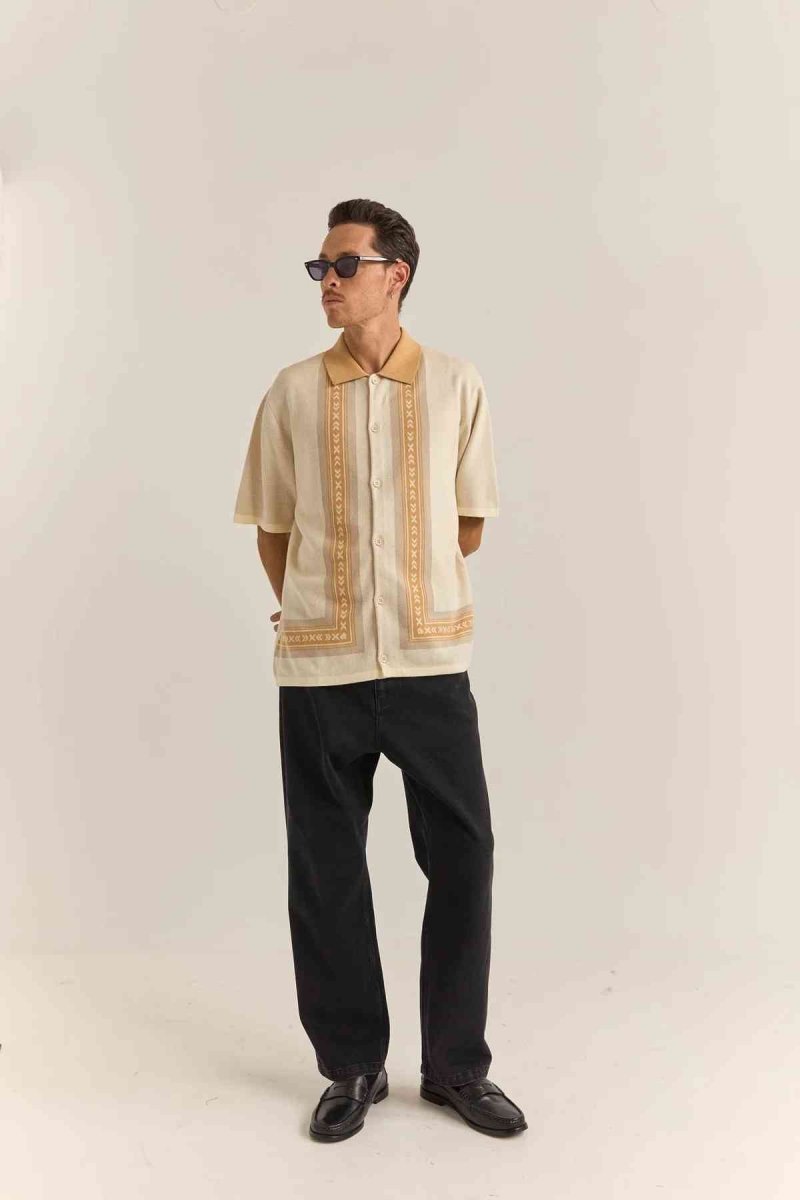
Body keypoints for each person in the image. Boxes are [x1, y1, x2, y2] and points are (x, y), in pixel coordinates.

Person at [233, 198, 527, 1141]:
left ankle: (455, 1067)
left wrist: (401, 591)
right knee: (326, 870)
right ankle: (353, 1065)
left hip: (431, 662)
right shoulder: (290, 392)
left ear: (395, 274)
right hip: (321, 670)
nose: (327, 281)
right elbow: (272, 526)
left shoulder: (455, 384)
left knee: (465, 856)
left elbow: (468, 525)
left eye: (344, 265)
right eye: (319, 267)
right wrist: (317, 604)